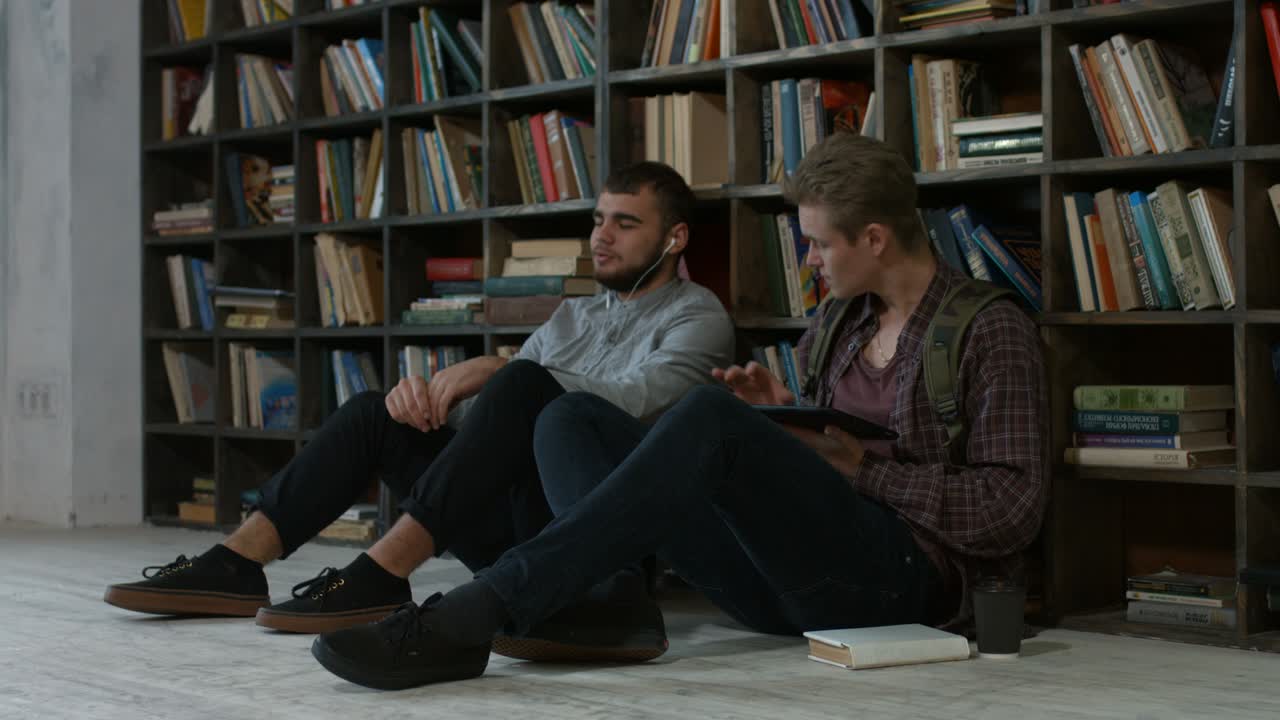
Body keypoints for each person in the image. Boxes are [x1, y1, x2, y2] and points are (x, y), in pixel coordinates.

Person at [307, 132, 1049, 691]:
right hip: (782, 586)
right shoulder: (841, 326)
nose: (812, 261)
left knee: (702, 414)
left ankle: (476, 611)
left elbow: (1014, 509)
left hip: (905, 585)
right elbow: (833, 456)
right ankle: (607, 606)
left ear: (876, 238)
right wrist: (782, 418)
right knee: (570, 416)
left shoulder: (989, 330)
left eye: (820, 244)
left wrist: (865, 473)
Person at [103, 161, 736, 653]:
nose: (602, 236)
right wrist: (427, 403)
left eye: (625, 224)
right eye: (598, 220)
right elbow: (493, 430)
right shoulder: (574, 314)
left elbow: (640, 410)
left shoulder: (700, 317)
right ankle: (234, 565)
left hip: (590, 533)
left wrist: (501, 370)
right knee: (376, 413)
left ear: (674, 237)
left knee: (520, 382)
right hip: (510, 517)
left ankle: (382, 574)